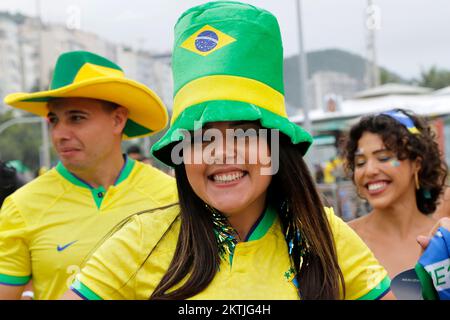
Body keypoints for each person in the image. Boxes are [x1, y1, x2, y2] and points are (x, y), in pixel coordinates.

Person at [62, 1, 393, 300]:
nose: (220, 153)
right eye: (201, 138)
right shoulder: (139, 241)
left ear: (275, 144)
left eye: (242, 134)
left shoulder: (325, 235)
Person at [0, 51, 177, 300]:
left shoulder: (172, 196)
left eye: (76, 118)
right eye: (54, 120)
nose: (60, 133)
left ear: (117, 120)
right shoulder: (20, 206)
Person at [345, 109, 448, 279]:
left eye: (384, 158)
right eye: (360, 162)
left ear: (416, 164)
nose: (369, 171)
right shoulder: (342, 240)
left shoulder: (443, 238)